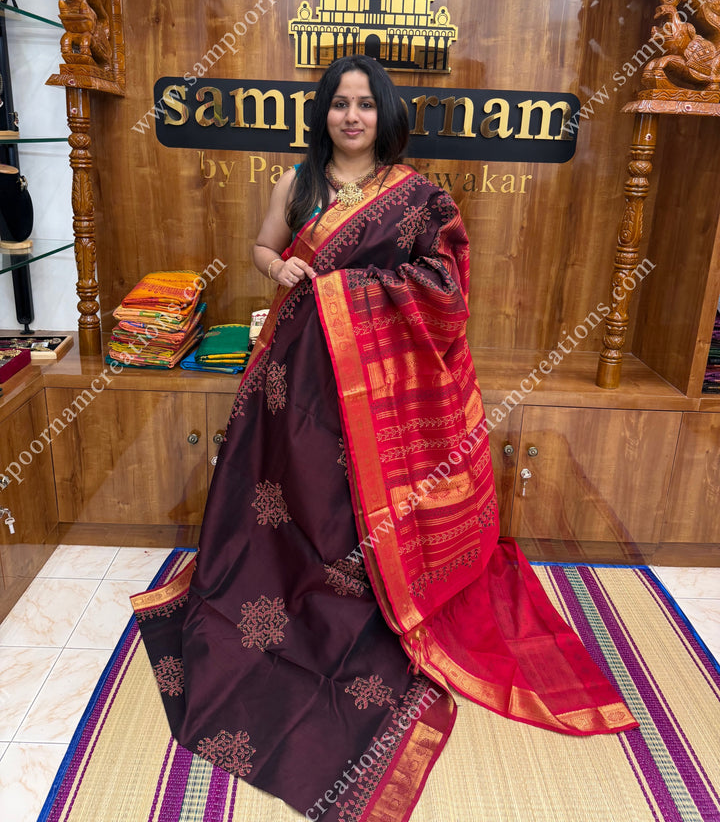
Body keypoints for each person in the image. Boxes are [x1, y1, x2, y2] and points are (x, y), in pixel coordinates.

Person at [132, 55, 638, 822]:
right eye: (339, 103)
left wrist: (347, 292)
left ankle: (368, 596)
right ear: (323, 113)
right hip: (297, 377)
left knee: (356, 500)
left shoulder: (419, 198)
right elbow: (263, 250)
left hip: (379, 391)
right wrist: (281, 272)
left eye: (365, 104)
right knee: (292, 491)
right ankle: (289, 589)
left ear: (385, 114)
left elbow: (445, 290)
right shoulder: (296, 185)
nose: (351, 116)